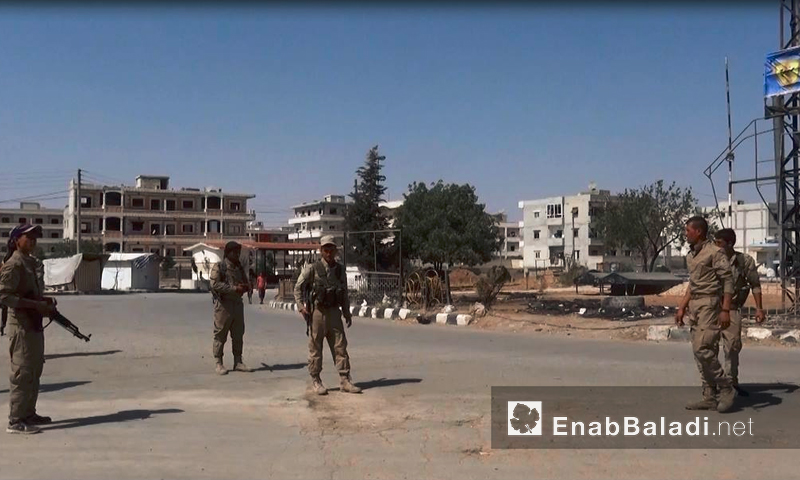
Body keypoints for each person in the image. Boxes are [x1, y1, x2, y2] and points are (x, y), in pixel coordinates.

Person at [675, 216, 736, 413]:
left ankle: (726, 387)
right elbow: (693, 285)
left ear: (698, 232)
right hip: (695, 305)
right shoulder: (691, 255)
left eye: (688, 231)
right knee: (698, 353)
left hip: (710, 304)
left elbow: (727, 282)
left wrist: (725, 310)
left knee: (703, 348)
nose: (686, 234)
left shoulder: (715, 253)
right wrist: (682, 307)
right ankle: (709, 396)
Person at [0, 224, 57, 434]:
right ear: (16, 240)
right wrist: (36, 305)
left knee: (34, 371)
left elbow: (28, 294)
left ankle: (28, 414)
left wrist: (45, 301)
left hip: (33, 326)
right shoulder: (14, 264)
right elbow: (4, 296)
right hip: (21, 328)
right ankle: (15, 420)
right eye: (28, 237)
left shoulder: (29, 264)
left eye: (35, 237)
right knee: (22, 373)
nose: (33, 241)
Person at [294, 235, 361, 395]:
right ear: (321, 251)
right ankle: (316, 380)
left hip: (334, 313)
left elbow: (343, 292)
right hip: (317, 313)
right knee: (316, 348)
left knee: (340, 347)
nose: (329, 252)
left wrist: (346, 312)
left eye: (331, 249)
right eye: (326, 249)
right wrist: (301, 307)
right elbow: (298, 288)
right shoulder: (312, 268)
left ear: (335, 250)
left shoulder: (339, 270)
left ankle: (345, 380)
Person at [713, 228, 766, 397]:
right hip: (712, 309)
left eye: (719, 243)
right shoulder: (712, 259)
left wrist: (759, 308)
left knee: (732, 347)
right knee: (709, 348)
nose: (716, 246)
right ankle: (712, 385)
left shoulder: (744, 261)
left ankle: (730, 383)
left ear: (730, 244)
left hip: (732, 309)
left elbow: (755, 285)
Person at [210, 241, 253, 375]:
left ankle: (238, 361)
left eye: (239, 252)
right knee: (220, 334)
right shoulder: (220, 267)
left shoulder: (239, 267)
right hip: (224, 306)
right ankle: (219, 362)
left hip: (237, 305)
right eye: (235, 252)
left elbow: (245, 282)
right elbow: (215, 284)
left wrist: (246, 287)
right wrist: (234, 288)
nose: (237, 255)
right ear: (228, 253)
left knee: (238, 334)